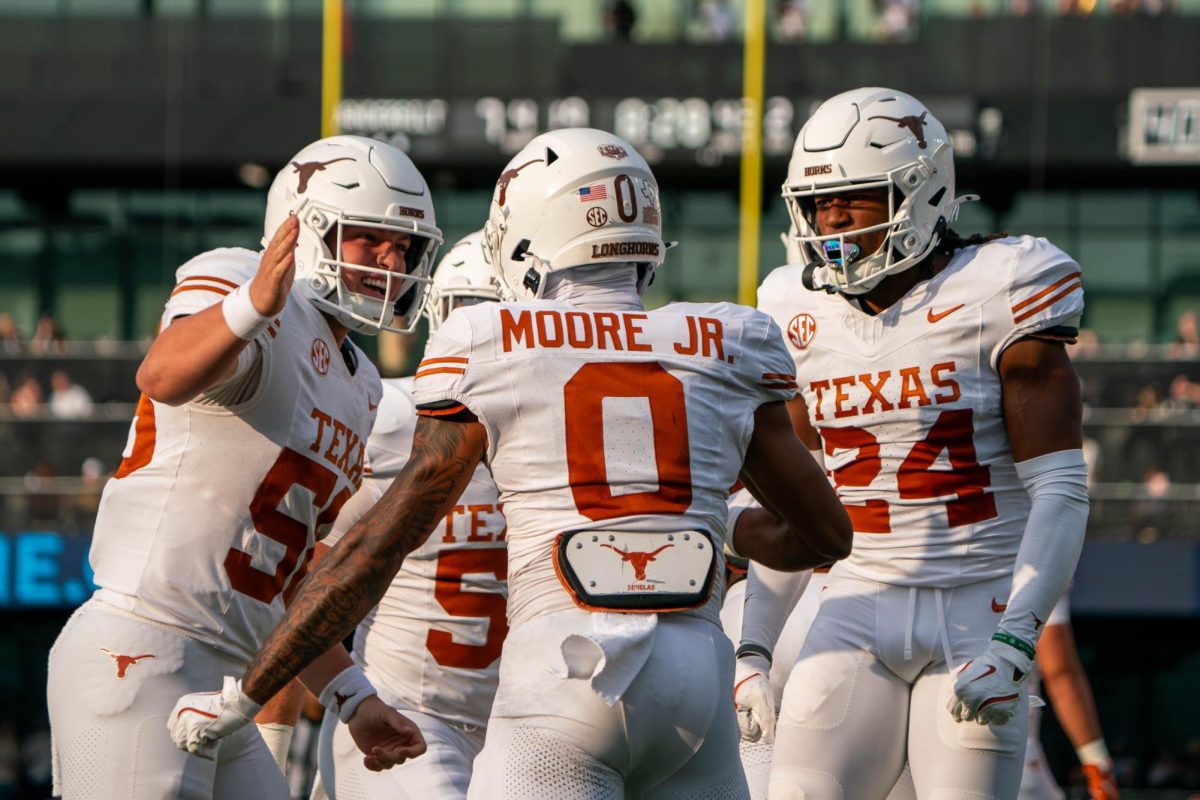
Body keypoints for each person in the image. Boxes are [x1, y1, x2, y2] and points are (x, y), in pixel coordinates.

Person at [169, 127, 852, 799]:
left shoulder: (492, 340)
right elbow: (826, 536)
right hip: (697, 684)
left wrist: (249, 690)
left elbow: (377, 549)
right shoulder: (731, 337)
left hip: (564, 676)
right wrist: (704, 532)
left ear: (527, 236)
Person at [46, 134, 443, 800]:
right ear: (305, 228)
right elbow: (163, 373)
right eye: (370, 238)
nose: (392, 259)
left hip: (223, 683)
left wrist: (352, 697)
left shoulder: (365, 385)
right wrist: (252, 305)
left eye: (404, 246)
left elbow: (285, 574)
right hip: (143, 648)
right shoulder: (243, 282)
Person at [736, 87, 1089, 799]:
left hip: (977, 601)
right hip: (858, 596)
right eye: (816, 203)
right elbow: (800, 504)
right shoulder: (794, 309)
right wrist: (754, 645)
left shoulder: (1002, 287)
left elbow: (1061, 487)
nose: (829, 221)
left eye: (853, 198)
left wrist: (1018, 637)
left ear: (921, 191)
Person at [313, 230, 507, 800]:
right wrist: (279, 731)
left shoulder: (561, 432)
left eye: (500, 317)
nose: (484, 336)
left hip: (527, 725)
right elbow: (300, 582)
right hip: (407, 718)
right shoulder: (394, 417)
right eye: (469, 313)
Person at [1020, 595, 1119, 800]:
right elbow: (1060, 674)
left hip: (941, 734)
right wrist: (1099, 770)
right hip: (1011, 745)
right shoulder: (1036, 564)